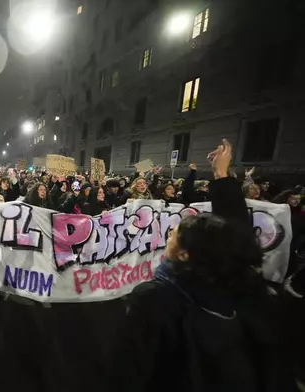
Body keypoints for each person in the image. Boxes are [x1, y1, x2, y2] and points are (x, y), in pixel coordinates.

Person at [109, 139, 295, 391]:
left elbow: (128, 376)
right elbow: (234, 238)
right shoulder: (247, 290)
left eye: (173, 235)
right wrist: (221, 176)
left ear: (185, 254)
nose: (167, 237)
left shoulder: (156, 300)